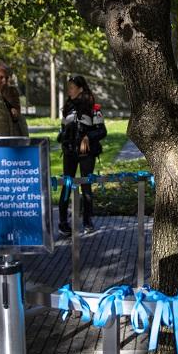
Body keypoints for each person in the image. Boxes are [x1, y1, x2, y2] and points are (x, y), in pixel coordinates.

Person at [57, 75, 107, 236]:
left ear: (80, 88)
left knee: (86, 185)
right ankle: (63, 222)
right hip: (70, 152)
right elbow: (62, 131)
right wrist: (64, 137)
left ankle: (87, 220)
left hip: (87, 153)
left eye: (71, 87)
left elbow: (102, 131)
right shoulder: (67, 108)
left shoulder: (93, 108)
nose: (69, 90)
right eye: (68, 87)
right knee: (66, 184)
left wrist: (87, 137)